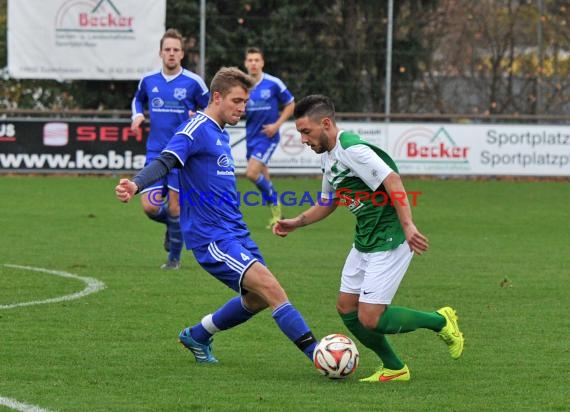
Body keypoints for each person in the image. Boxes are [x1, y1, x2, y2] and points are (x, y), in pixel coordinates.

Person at [116, 67, 318, 365]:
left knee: (257, 298)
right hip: (211, 237)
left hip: (236, 231)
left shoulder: (219, 133)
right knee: (272, 289)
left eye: (245, 102)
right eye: (237, 101)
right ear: (217, 97)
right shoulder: (195, 129)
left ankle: (198, 335)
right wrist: (136, 184)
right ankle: (320, 355)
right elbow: (166, 160)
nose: (242, 108)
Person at [273, 95, 465, 382]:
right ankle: (394, 367)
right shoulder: (328, 156)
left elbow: (393, 181)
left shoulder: (353, 149)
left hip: (390, 238)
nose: (303, 139)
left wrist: (409, 225)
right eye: (300, 133)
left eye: (306, 131)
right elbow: (329, 201)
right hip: (365, 238)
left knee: (371, 318)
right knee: (346, 308)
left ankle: (440, 321)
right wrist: (297, 222)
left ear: (325, 124)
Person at [130, 28, 210, 270]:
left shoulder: (194, 82)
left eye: (176, 50)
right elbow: (137, 99)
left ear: (182, 54)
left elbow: (210, 111)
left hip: (182, 153)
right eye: (168, 50)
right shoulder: (149, 80)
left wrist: (197, 115)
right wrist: (136, 116)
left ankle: (174, 259)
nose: (171, 54)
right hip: (156, 151)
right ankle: (172, 226)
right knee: (150, 206)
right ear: (160, 53)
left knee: (175, 205)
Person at [243, 47, 295, 228]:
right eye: (250, 60)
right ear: (245, 63)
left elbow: (290, 104)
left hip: (267, 137)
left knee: (251, 173)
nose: (253, 63)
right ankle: (277, 214)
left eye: (257, 60)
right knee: (263, 177)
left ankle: (276, 204)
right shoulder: (243, 87)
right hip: (250, 138)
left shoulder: (273, 83)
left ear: (262, 63)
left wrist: (277, 125)